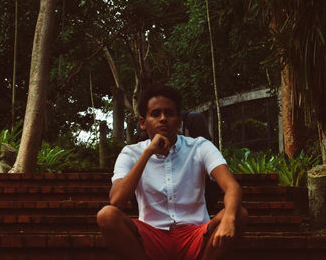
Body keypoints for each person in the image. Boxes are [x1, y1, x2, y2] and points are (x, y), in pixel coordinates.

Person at [97, 84, 248, 260]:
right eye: (155, 114)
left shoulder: (199, 146)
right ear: (142, 122)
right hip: (151, 234)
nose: (163, 119)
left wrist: (229, 219)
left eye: (169, 113)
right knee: (106, 215)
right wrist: (148, 153)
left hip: (196, 233)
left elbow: (232, 187)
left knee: (239, 214)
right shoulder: (131, 153)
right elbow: (116, 201)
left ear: (178, 121)